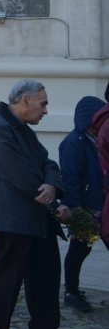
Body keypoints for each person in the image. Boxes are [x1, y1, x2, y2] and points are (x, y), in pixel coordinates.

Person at [0, 79, 79, 329]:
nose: (45, 110)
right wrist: (53, 200)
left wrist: (52, 184)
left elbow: (47, 162)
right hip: (13, 216)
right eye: (42, 103)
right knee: (7, 274)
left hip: (34, 215)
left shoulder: (20, 128)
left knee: (46, 273)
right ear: (24, 101)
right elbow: (19, 175)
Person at [59, 96, 108, 313]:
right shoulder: (73, 143)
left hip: (101, 206)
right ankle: (71, 291)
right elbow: (70, 178)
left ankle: (73, 290)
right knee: (80, 249)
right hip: (86, 209)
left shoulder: (95, 140)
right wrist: (77, 211)